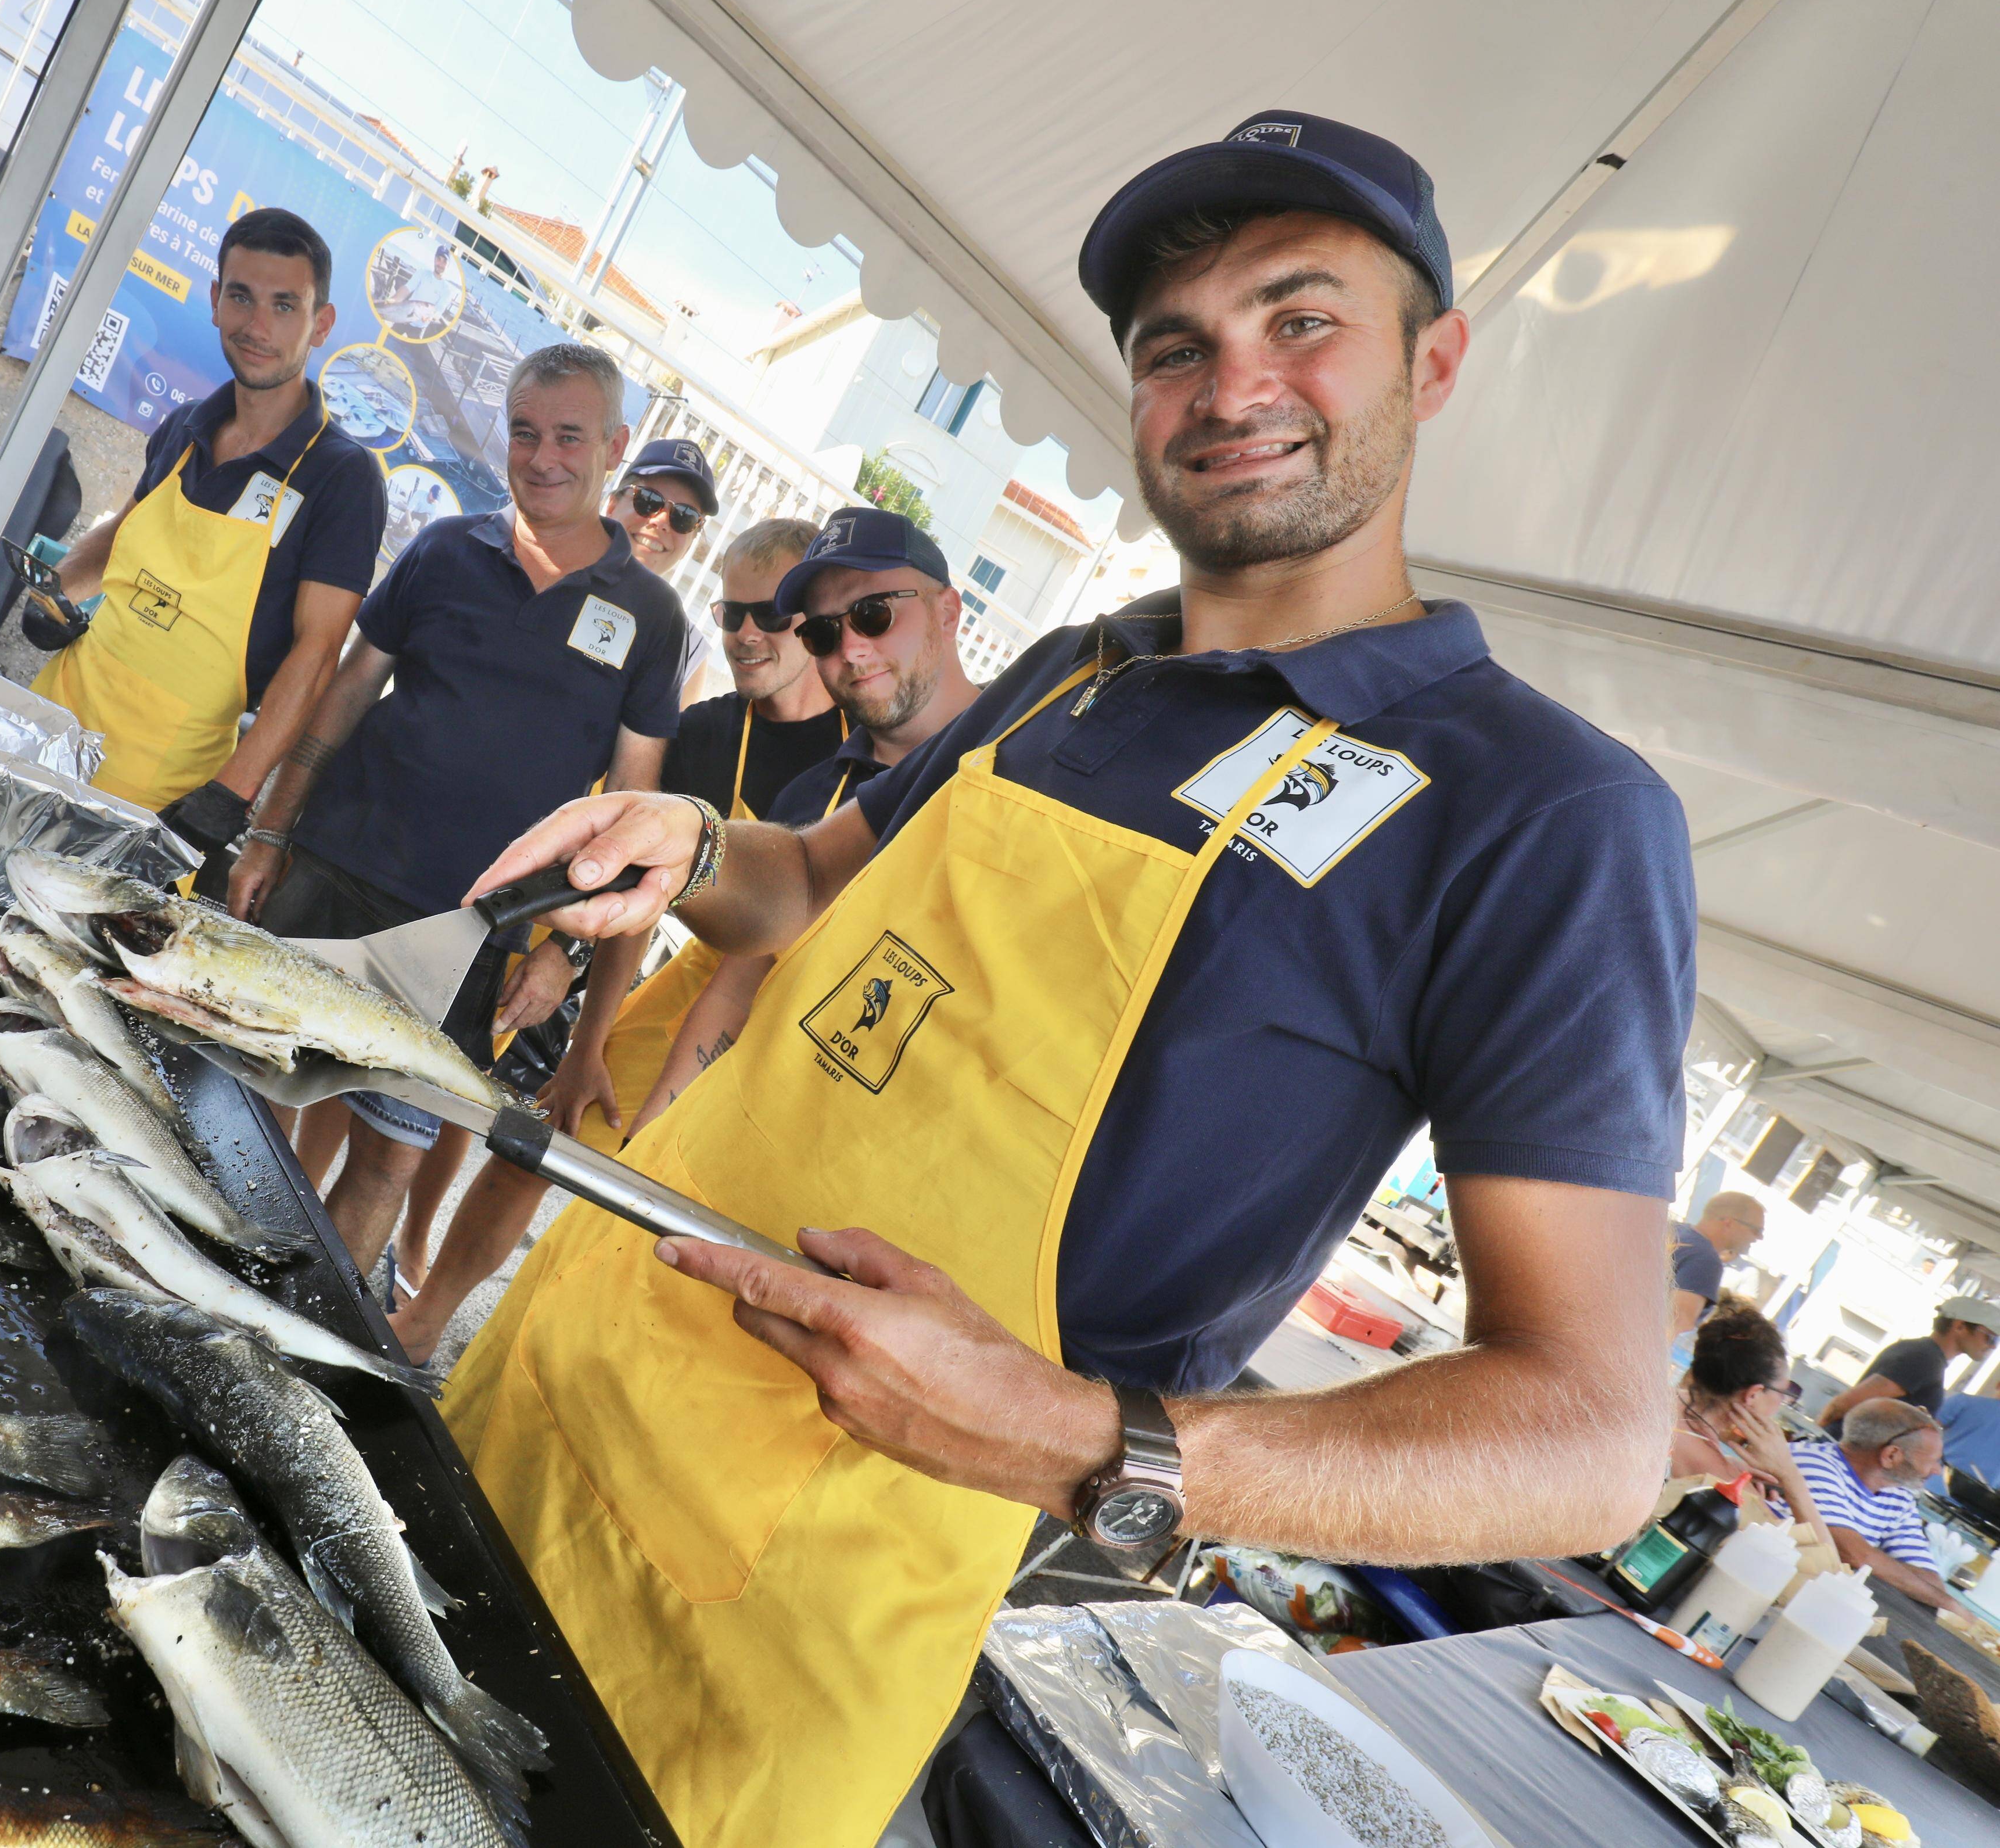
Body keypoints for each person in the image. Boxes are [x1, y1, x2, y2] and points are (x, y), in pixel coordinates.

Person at [438, 113, 1696, 1848]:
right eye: (1174, 345)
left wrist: (1099, 1441)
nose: (1228, 381)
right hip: (546, 1395)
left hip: (786, 1608)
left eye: (1298, 318)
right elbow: (807, 880)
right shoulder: (1074, 669)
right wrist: (687, 845)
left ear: (1436, 358)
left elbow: (1586, 1432)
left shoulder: (1543, 816)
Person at [224, 342, 685, 1275]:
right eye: (524, 433)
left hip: (470, 930)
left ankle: (296, 1337)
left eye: (569, 436)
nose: (543, 457)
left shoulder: (653, 619)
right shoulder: (443, 550)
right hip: (331, 868)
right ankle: (203, 1283)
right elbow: (346, 697)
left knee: (389, 1153)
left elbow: (633, 812)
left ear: (616, 445)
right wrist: (269, 832)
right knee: (247, 1093)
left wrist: (562, 954)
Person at [384, 516, 849, 1362]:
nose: (744, 634)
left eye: (767, 615)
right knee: (546, 1137)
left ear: (812, 617)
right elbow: (640, 894)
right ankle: (420, 1324)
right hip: (697, 973)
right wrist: (586, 1042)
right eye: (729, 613)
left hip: (811, 1004)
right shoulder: (708, 733)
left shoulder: (863, 749)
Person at [30, 209, 387, 882]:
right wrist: (60, 588)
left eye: (285, 305)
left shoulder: (341, 478)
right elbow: (125, 530)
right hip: (53, 720)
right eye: (241, 297)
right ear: (214, 299)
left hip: (164, 786)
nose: (258, 327)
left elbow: (316, 655)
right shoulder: (185, 425)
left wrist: (232, 793)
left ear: (321, 324)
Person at [627, 507, 983, 1139]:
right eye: (821, 632)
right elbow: (740, 985)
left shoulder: (1024, 761)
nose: (850, 647)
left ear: (948, 611)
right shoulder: (815, 798)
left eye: (874, 614)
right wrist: (646, 1144)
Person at [1790, 1401, 1958, 1612]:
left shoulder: (1898, 1497)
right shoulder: (1815, 1463)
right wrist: (1949, 1604)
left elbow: (1932, 1583)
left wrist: (1876, 1562)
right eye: (1933, 1461)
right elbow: (1851, 1552)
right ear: (1891, 1456)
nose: (1936, 1471)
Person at [1669, 1301, 1822, 1532]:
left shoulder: (1651, 1398)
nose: (1782, 1403)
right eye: (1783, 1393)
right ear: (1753, 1395)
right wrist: (1791, 1478)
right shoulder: (1719, 1477)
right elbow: (1822, 1562)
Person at [609, 439, 723, 702]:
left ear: (693, 537)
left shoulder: (687, 650)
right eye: (648, 500)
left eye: (684, 516)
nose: (661, 522)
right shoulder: (550, 570)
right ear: (613, 504)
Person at [1821, 1296, 1998, 1424]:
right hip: (1841, 1457)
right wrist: (1814, 1437)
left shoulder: (1926, 1356)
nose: (1992, 1347)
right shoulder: (1924, 1358)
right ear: (1959, 1326)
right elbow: (1844, 1404)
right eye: (1991, 1338)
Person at [1671, 1191, 1766, 1335]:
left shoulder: (1674, 1230)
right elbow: (1677, 1323)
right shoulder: (1706, 1261)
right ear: (1729, 1223)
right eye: (1756, 1230)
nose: (1760, 1238)